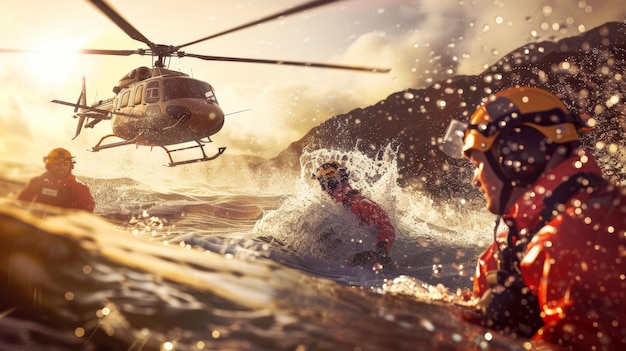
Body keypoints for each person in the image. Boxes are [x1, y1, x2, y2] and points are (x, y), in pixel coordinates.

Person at [443, 87, 626, 349]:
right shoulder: (509, 248)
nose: (474, 180)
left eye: (477, 165)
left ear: (519, 156)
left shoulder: (584, 232)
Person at [311, 160, 395, 267]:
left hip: (375, 266)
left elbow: (385, 227)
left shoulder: (359, 202)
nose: (327, 189)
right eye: (323, 185)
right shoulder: (332, 209)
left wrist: (381, 251)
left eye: (330, 183)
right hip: (350, 270)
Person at [18, 148, 95, 213]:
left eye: (65, 164)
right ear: (49, 166)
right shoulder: (36, 182)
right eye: (57, 164)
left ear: (71, 166)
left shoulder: (80, 188)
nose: (62, 167)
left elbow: (87, 212)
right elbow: (20, 205)